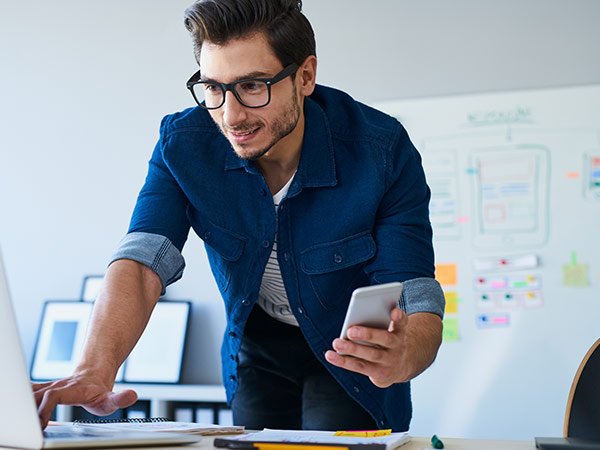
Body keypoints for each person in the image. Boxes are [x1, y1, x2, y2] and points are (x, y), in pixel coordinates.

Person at [34, 0, 445, 432]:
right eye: (213, 88)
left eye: (252, 86)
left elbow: (414, 292)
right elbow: (142, 260)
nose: (230, 116)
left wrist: (405, 354)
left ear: (305, 76)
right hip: (258, 346)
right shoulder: (183, 146)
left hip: (349, 352)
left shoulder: (381, 151)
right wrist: (94, 369)